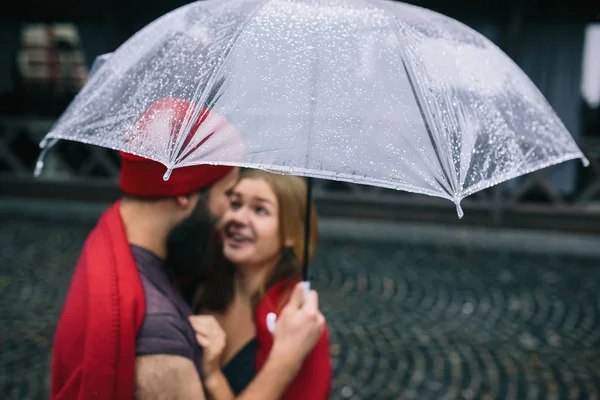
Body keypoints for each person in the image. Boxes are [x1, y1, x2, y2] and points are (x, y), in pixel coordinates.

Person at [50, 99, 327, 400]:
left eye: (260, 210)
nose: (230, 216)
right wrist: (283, 362)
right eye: (229, 198)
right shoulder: (164, 327)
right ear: (184, 195)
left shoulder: (166, 266)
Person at [190, 169, 332, 399]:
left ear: (292, 234)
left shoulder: (298, 323)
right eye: (235, 204)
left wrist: (213, 377)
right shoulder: (202, 285)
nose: (238, 218)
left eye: (260, 210)